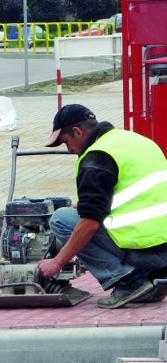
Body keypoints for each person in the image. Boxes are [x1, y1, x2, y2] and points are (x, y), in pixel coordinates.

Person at [37, 104, 167, 309]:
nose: (69, 150)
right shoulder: (136, 140)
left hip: (146, 251)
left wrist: (57, 262)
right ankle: (151, 280)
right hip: (162, 250)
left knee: (62, 219)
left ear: (77, 132)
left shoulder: (96, 157)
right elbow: (140, 194)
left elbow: (89, 224)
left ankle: (129, 282)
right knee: (81, 213)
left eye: (66, 141)